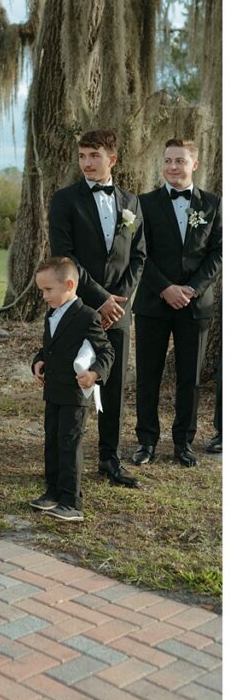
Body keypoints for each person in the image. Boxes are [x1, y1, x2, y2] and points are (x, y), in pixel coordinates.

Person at [49, 129, 146, 488]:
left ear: (113, 159)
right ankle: (63, 464)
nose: (87, 163)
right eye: (82, 156)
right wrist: (100, 299)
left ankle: (110, 459)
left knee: (114, 384)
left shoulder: (131, 204)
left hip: (119, 310)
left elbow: (139, 256)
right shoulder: (64, 200)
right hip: (78, 308)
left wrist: (118, 301)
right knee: (71, 387)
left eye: (94, 155)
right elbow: (64, 255)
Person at [131, 139, 222, 467]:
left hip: (195, 307)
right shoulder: (144, 203)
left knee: (190, 379)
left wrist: (191, 290)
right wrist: (165, 288)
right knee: (148, 376)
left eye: (179, 161)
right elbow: (139, 252)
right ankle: (146, 442)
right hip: (153, 304)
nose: (172, 166)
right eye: (167, 160)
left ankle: (184, 442)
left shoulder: (212, 204)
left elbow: (218, 253)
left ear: (193, 164)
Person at [31, 258, 115, 522]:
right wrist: (38, 361)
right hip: (53, 391)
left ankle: (72, 501)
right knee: (52, 442)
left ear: (68, 285)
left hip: (74, 395)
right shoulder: (51, 313)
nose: (44, 296)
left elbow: (107, 351)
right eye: (42, 291)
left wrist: (94, 374)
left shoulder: (87, 316)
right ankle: (53, 491)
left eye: (48, 290)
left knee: (69, 445)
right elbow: (50, 347)